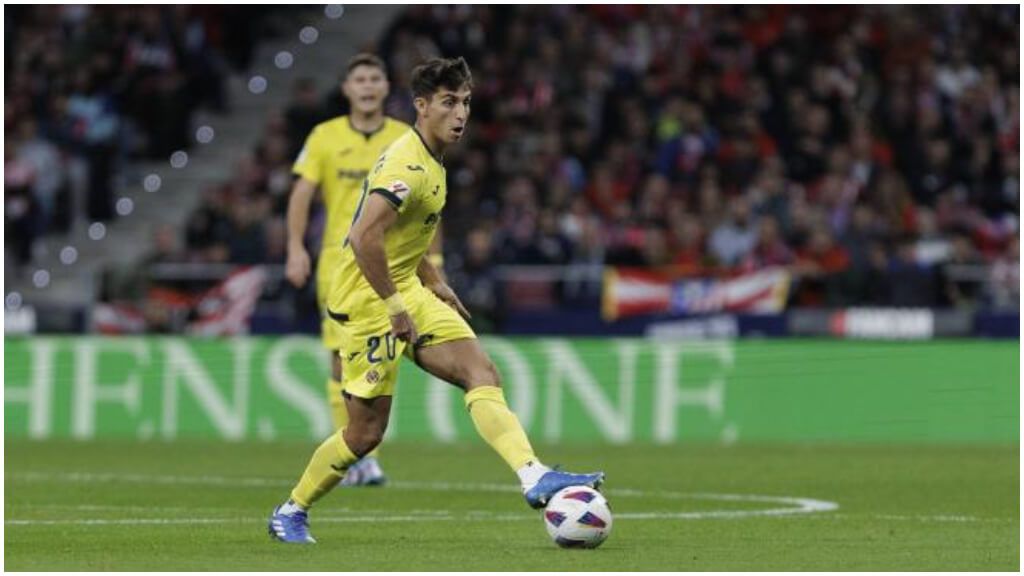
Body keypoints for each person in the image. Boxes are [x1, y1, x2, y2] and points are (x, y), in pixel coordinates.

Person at [269, 56, 604, 544]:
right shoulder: (407, 163)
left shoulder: (432, 158)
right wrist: (393, 305)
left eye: (465, 102)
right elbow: (364, 237)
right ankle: (291, 510)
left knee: (481, 372)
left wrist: (431, 277)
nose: (460, 113)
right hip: (368, 301)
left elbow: (403, 235)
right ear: (421, 106)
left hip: (406, 286)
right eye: (448, 102)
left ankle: (533, 475)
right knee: (365, 434)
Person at [285, 53, 411, 487]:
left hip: (393, 265)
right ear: (346, 88)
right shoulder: (324, 136)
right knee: (341, 360)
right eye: (359, 79)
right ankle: (357, 455)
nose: (368, 86)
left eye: (375, 78)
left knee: (385, 357)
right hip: (338, 267)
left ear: (386, 87)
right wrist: (294, 248)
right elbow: (302, 193)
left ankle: (362, 451)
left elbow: (429, 200)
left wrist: (435, 260)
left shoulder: (404, 138)